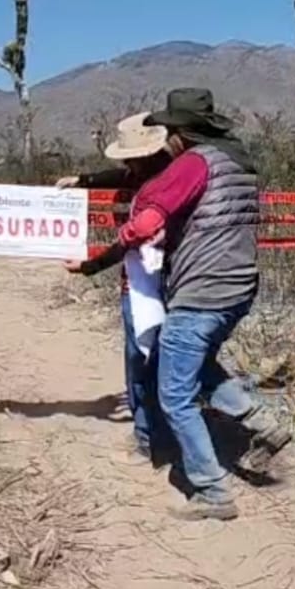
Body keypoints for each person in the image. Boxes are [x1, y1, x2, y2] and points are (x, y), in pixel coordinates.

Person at [132, 87, 290, 521]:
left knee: (175, 396)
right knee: (191, 362)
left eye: (168, 131)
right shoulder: (238, 161)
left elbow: (149, 216)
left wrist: (126, 236)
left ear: (180, 133)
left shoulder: (193, 163)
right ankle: (259, 418)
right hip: (238, 286)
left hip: (203, 290)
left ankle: (212, 492)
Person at [60, 113, 174, 464]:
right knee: (157, 358)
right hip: (174, 280)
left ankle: (149, 436)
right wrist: (84, 180)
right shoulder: (177, 174)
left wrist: (90, 266)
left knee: (142, 360)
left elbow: (129, 240)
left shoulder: (159, 191)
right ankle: (158, 432)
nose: (126, 164)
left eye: (131, 158)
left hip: (152, 285)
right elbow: (121, 177)